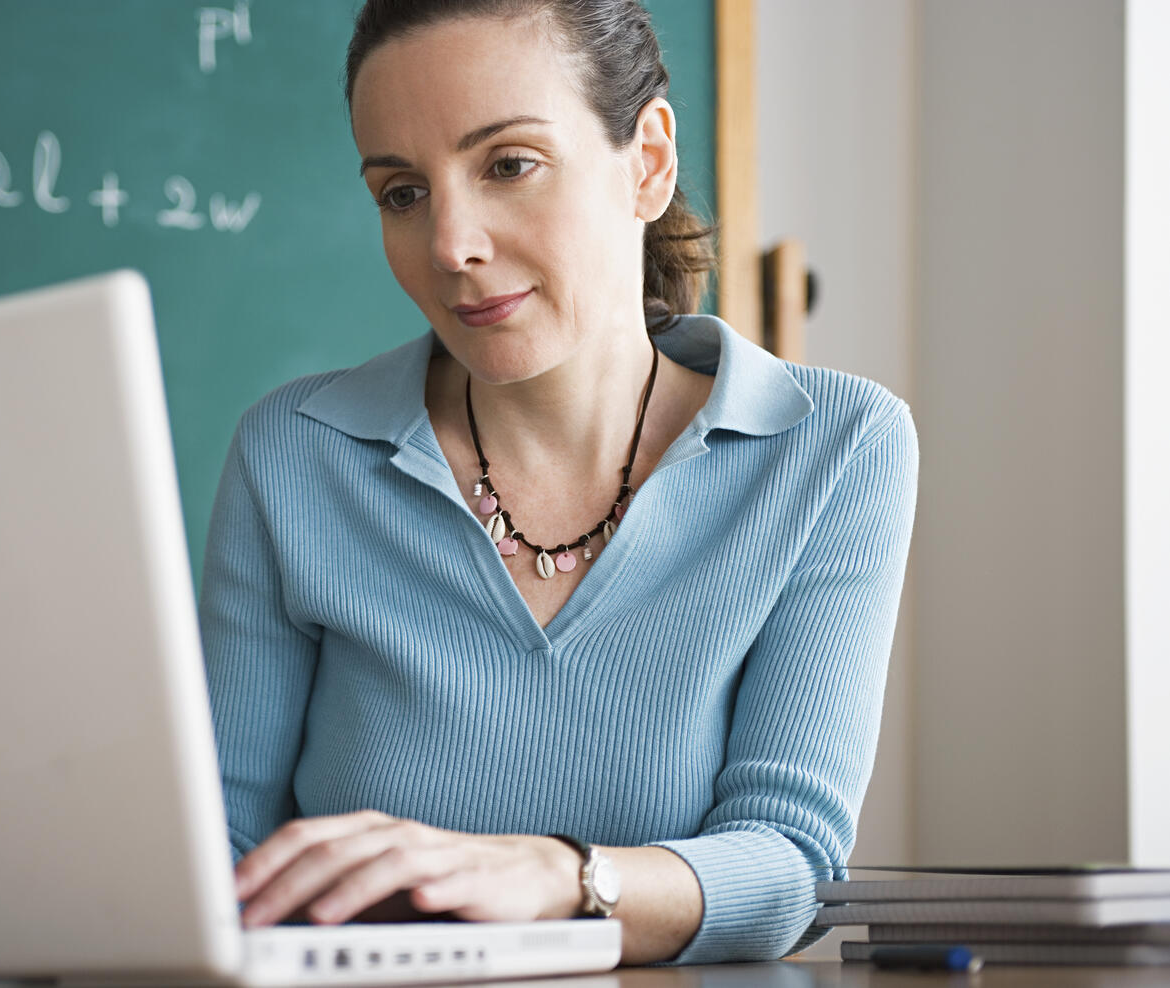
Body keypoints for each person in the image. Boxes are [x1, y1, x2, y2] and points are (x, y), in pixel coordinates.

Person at [198, 0, 918, 966]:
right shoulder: (293, 453)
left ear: (647, 164)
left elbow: (789, 867)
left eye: (508, 165)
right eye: (402, 192)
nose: (451, 243)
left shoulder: (831, 447)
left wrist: (563, 877)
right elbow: (215, 860)